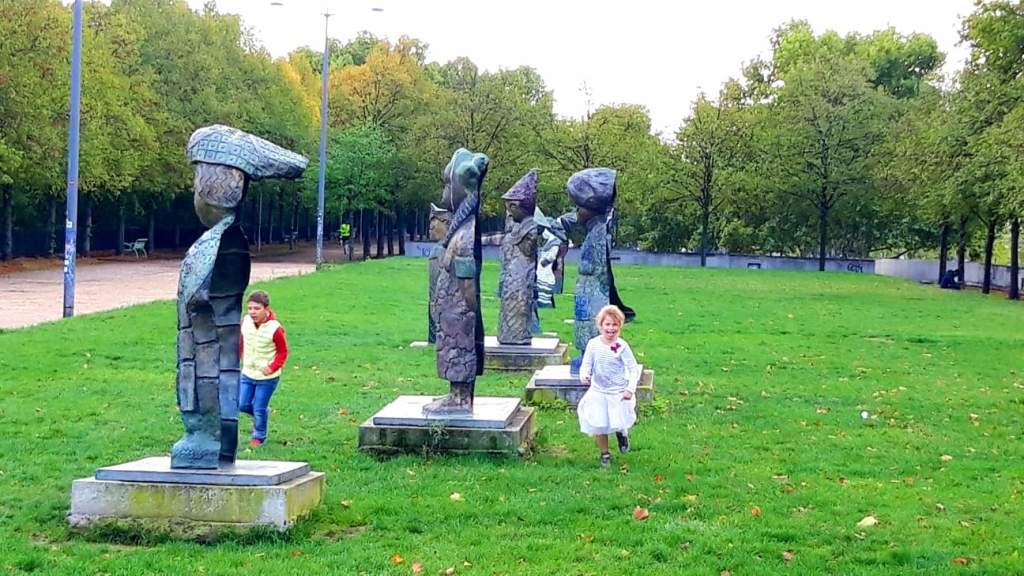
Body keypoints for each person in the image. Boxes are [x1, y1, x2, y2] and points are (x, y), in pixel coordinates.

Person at [577, 304, 640, 467]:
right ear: (600, 325)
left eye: (614, 325)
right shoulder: (593, 344)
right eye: (607, 324)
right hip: (598, 391)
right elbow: (586, 364)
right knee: (599, 423)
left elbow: (633, 368)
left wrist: (630, 389)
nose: (611, 328)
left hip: (617, 392)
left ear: (620, 326)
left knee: (618, 420)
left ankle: (621, 433)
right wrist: (584, 375)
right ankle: (604, 454)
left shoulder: (621, 346)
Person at [239, 290, 289, 446]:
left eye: (257, 308)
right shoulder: (245, 322)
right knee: (242, 404)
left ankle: (258, 436)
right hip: (247, 373)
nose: (252, 312)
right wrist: (238, 355)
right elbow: (241, 341)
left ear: (266, 309)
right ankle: (261, 412)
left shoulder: (275, 329)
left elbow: (283, 352)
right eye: (250, 308)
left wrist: (272, 367)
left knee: (259, 408)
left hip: (267, 378)